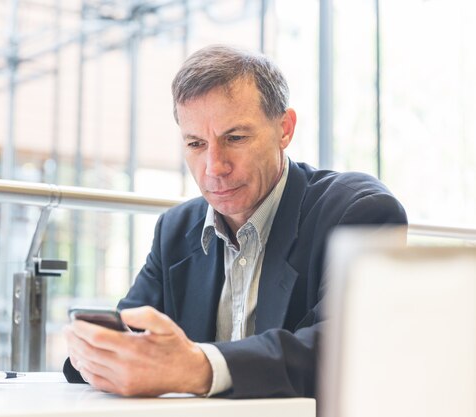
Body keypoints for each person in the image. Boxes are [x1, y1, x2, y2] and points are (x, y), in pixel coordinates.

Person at [62, 44, 407, 398]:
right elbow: (128, 335)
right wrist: (92, 349)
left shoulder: (358, 211)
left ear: (284, 129)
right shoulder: (176, 230)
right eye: (196, 144)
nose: (214, 167)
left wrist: (200, 367)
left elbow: (350, 350)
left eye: (235, 138)